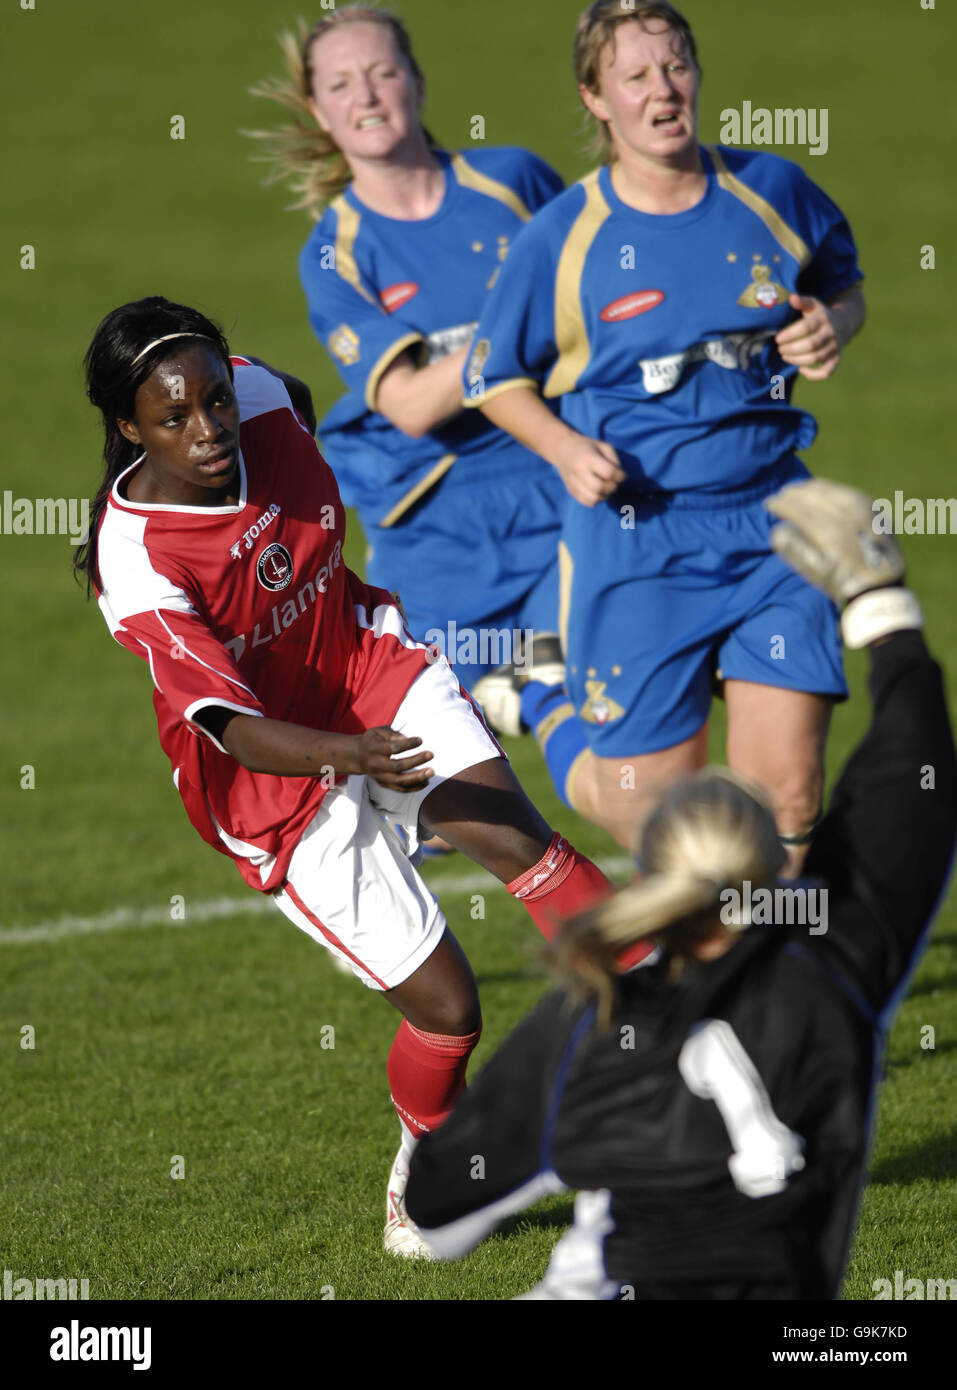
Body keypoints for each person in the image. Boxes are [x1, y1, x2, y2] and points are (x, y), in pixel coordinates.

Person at [74, 295, 626, 1261]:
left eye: (214, 400)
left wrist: (359, 710)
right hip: (278, 792)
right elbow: (235, 729)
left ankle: (671, 1043)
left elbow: (288, 398)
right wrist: (349, 759)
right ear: (129, 429)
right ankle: (420, 1182)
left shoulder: (257, 393)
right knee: (451, 1007)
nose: (209, 428)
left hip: (369, 669)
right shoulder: (137, 556)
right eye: (174, 418)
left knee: (516, 836)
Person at [405, 478, 957, 1298]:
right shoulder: (837, 969)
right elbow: (914, 782)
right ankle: (537, 696)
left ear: (652, 871)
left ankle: (537, 696)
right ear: (775, 866)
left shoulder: (586, 1023)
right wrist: (879, 604)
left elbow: (439, 1214)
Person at [463, 0, 867, 872]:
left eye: (674, 65)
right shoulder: (564, 238)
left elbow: (843, 285)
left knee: (788, 795)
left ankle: (769, 994)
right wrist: (566, 450)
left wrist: (831, 324)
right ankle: (546, 697)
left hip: (773, 526)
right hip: (637, 540)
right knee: (658, 822)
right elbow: (490, 378)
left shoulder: (772, 192)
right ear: (595, 98)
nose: (662, 89)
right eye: (635, 74)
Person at [248, 6, 568, 721]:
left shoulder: (514, 180)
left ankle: (526, 698)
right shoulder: (336, 251)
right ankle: (500, 700)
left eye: (381, 72)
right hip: (435, 518)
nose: (364, 96)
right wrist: (518, 323)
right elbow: (413, 404)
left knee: (597, 710)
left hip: (556, 474)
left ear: (417, 83)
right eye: (340, 84)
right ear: (318, 111)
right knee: (423, 773)